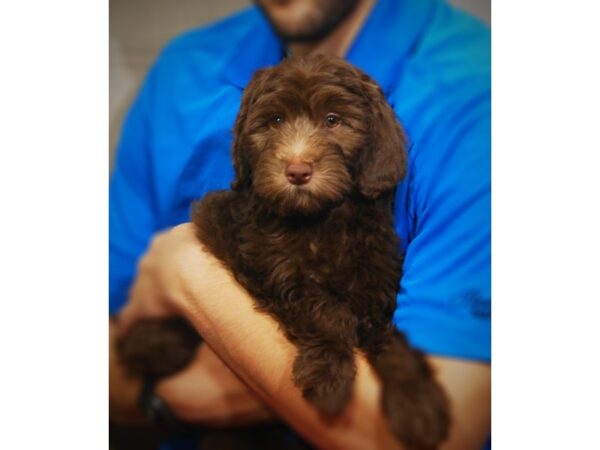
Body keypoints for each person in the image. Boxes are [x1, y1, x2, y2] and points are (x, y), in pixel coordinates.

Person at [109, 0, 491, 449]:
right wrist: (167, 397)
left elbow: (435, 435)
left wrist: (188, 270)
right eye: (273, 123)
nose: (296, 157)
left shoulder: (474, 90)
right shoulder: (182, 71)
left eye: (331, 122)